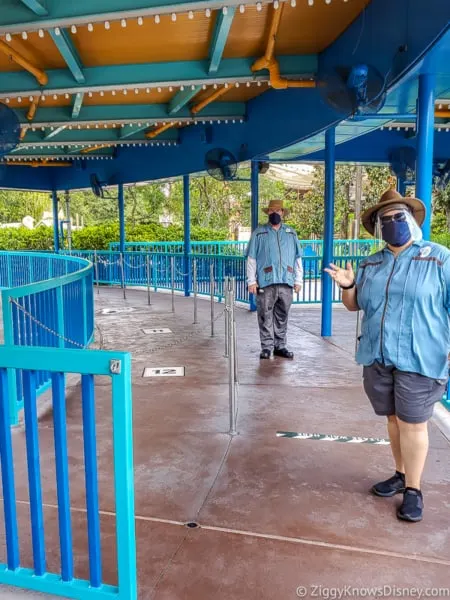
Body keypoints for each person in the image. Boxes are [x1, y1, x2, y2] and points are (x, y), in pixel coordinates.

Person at [325, 188, 450, 523]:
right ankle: (399, 473)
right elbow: (356, 306)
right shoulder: (371, 264)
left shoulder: (439, 259)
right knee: (393, 420)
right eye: (385, 219)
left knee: (413, 423)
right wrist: (349, 286)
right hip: (378, 355)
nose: (392, 223)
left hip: (420, 357)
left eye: (398, 216)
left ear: (411, 220)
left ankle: (414, 489)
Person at [246, 199, 303, 359]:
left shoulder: (291, 234)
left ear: (283, 213)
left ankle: (280, 346)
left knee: (282, 314)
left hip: (286, 280)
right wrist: (251, 280)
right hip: (266, 280)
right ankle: (266, 347)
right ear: (268, 213)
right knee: (265, 314)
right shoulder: (259, 233)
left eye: (278, 211)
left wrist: (299, 280)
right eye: (271, 211)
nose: (274, 214)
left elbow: (298, 258)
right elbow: (251, 258)